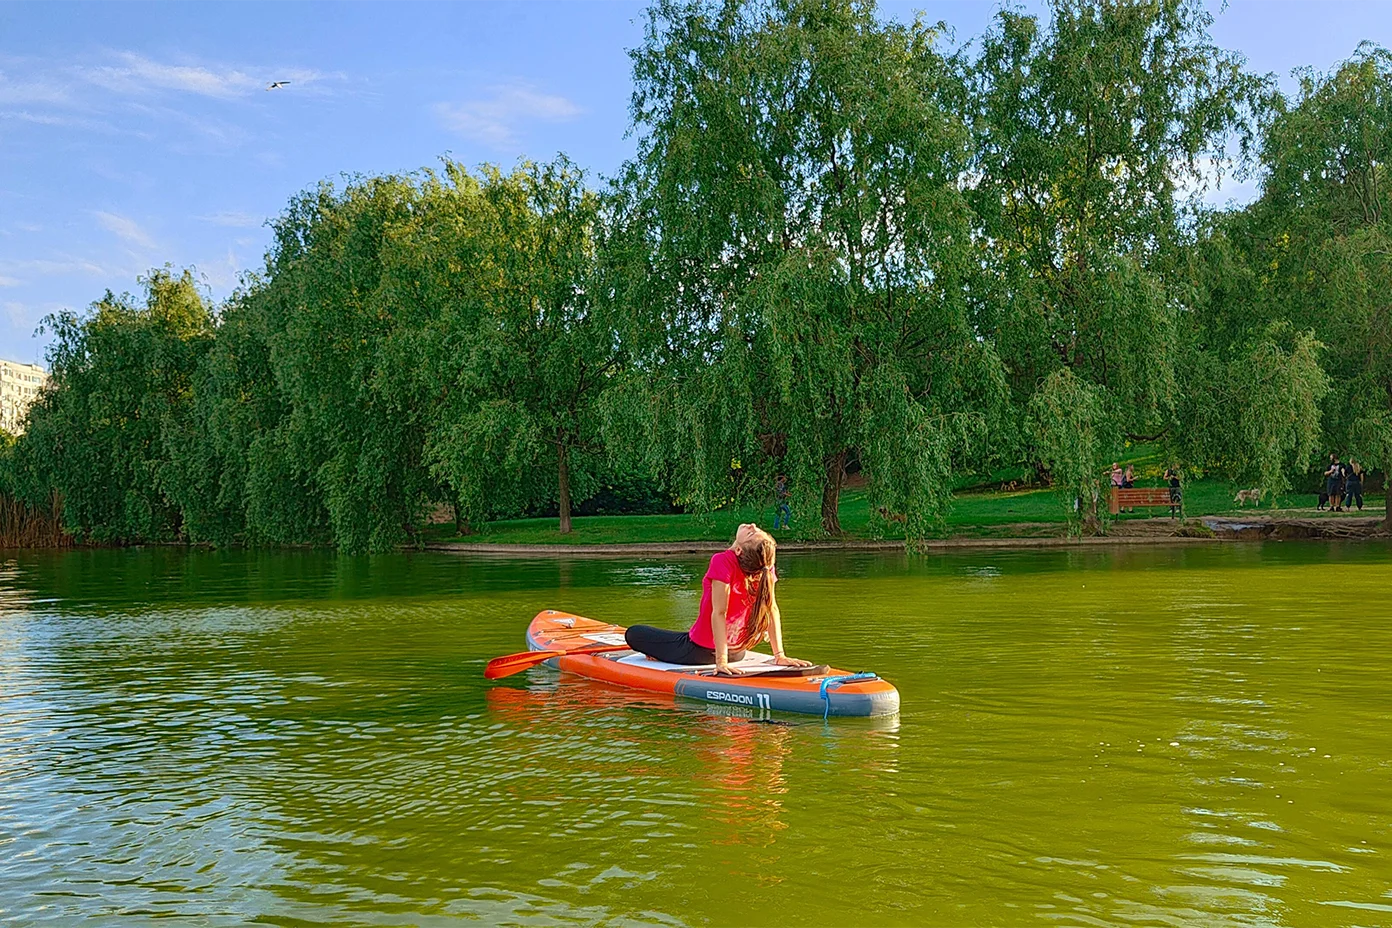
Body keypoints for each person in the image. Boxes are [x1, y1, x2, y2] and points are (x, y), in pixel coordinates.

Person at [624, 523, 812, 675]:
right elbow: (772, 609)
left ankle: (663, 652)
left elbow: (719, 613)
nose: (753, 526)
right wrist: (779, 655)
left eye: (752, 533)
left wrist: (720, 662)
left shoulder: (722, 561)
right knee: (677, 635)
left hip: (702, 651)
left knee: (634, 633)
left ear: (738, 550)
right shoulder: (765, 566)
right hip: (738, 653)